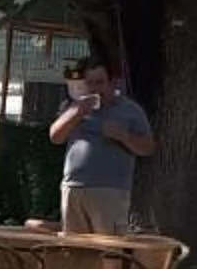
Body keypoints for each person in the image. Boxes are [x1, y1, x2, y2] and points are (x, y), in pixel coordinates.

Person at [48, 64, 156, 232]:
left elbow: (148, 148)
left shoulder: (130, 110)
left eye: (100, 82)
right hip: (73, 188)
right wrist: (77, 112)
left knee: (107, 245)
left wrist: (124, 136)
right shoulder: (75, 107)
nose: (94, 88)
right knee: (73, 245)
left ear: (112, 83)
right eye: (90, 83)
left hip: (110, 190)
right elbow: (55, 137)